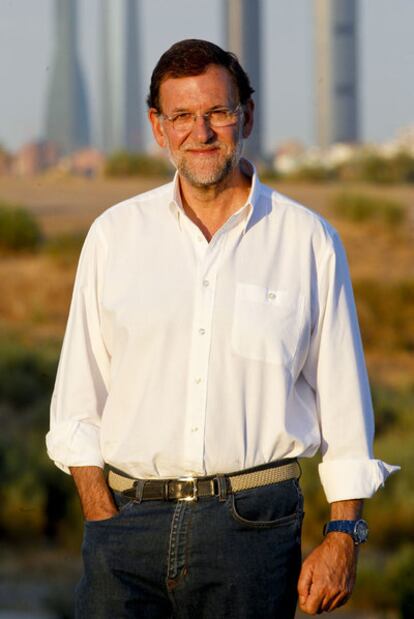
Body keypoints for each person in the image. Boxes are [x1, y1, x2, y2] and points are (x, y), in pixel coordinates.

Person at [46, 39, 398, 618]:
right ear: (158, 128)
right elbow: (78, 397)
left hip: (252, 531)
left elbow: (344, 405)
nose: (201, 132)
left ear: (247, 116)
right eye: (181, 116)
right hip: (125, 530)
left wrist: (343, 535)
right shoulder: (113, 237)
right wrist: (99, 514)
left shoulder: (308, 242)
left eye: (218, 112)